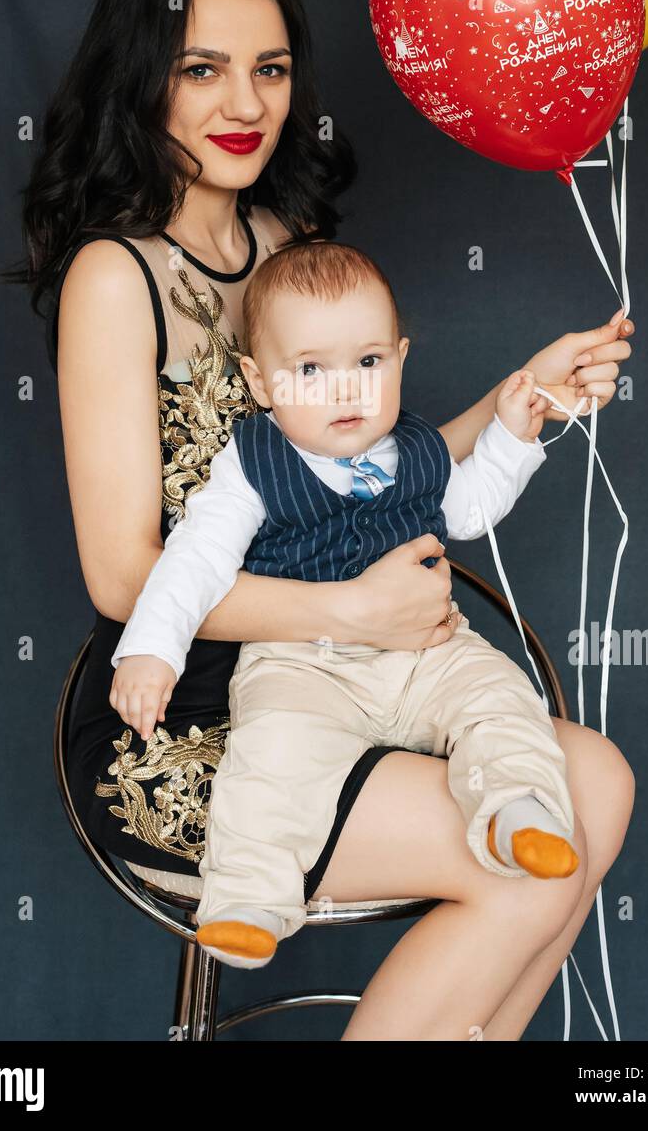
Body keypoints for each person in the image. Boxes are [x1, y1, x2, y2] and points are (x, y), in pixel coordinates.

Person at [8, 0, 636, 1039]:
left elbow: (374, 471)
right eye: (202, 68)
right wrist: (350, 607)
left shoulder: (287, 236)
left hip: (370, 676)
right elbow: (121, 575)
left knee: (602, 787)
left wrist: (517, 399)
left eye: (271, 67)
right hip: (200, 713)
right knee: (527, 858)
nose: (243, 101)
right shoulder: (117, 274)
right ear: (143, 79)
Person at [111, 240, 583, 970]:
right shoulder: (253, 463)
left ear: (397, 360)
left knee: (500, 698)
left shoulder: (418, 447)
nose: (346, 391)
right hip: (305, 664)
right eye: (309, 370)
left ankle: (513, 810)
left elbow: (467, 513)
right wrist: (151, 648)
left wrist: (512, 438)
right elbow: (194, 563)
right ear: (259, 383)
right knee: (272, 755)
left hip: (429, 654)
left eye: (368, 363)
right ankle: (247, 898)